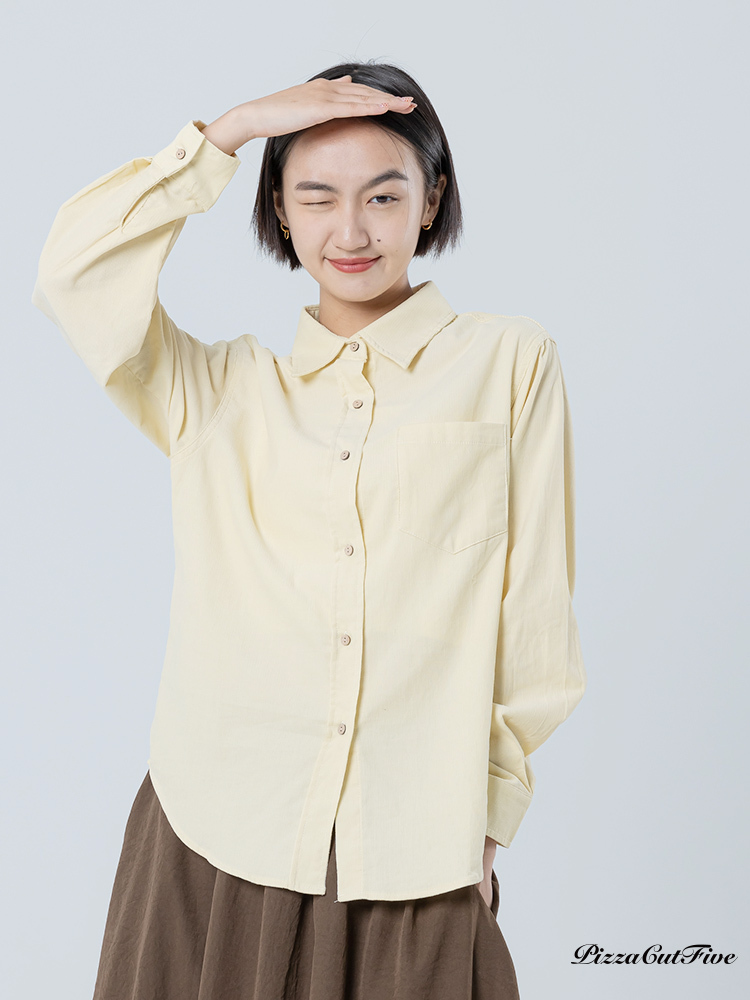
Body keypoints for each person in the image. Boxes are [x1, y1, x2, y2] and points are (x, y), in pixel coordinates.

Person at [31, 60, 586, 1000]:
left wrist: (488, 825)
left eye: (384, 195)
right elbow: (73, 277)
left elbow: (534, 615)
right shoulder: (218, 389)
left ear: (431, 200)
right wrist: (228, 133)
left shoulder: (511, 363)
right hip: (213, 835)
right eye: (316, 197)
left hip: (416, 850)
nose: (352, 231)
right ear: (281, 213)